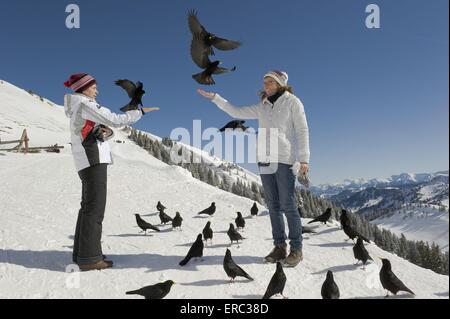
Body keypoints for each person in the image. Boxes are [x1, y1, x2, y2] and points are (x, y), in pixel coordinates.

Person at [198, 70, 310, 267]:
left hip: (284, 159)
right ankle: (279, 247)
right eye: (264, 82)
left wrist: (304, 159)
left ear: (280, 83)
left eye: (270, 82)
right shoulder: (262, 106)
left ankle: (296, 250)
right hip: (264, 160)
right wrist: (216, 98)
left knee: (288, 205)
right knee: (273, 207)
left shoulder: (292, 102)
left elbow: (302, 130)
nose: (265, 85)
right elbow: (236, 112)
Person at [63, 73, 158, 271]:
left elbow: (105, 128)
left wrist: (108, 132)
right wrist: (140, 112)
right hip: (93, 158)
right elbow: (114, 120)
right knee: (95, 209)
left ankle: (82, 254)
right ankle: (89, 259)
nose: (97, 91)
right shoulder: (85, 103)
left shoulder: (78, 106)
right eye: (94, 87)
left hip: (86, 159)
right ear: (84, 88)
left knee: (87, 207)